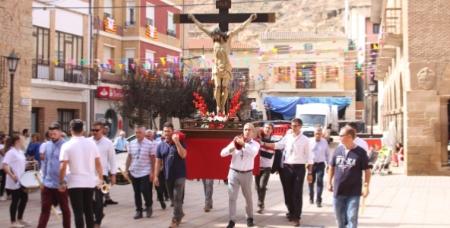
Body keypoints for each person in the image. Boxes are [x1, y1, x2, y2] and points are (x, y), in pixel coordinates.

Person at [189, 13, 257, 113]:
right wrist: (193, 19)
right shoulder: (213, 38)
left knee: (224, 87)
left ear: (219, 33)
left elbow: (240, 28)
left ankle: (222, 106)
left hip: (226, 66)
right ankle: (218, 106)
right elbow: (202, 27)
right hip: (216, 66)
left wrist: (250, 19)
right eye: (213, 36)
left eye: (216, 35)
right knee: (217, 87)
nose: (214, 37)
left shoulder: (228, 37)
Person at [264, 118, 313, 227]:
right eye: (292, 125)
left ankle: (297, 217)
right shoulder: (288, 137)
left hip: (299, 168)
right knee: (287, 192)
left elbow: (310, 158)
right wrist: (263, 143)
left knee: (297, 193)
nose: (293, 128)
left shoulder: (305, 140)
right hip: (287, 168)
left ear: (300, 126)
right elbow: (277, 145)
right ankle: (291, 211)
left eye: (296, 126)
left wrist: (310, 173)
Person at [59, 119, 104, 228]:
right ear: (83, 130)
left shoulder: (67, 145)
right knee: (88, 210)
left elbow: (62, 166)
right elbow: (98, 163)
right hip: (89, 181)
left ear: (71, 130)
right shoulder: (92, 144)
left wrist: (61, 181)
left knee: (78, 212)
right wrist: (100, 179)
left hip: (74, 182)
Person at [328, 126, 371, 228]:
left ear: (349, 137)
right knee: (339, 219)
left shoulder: (361, 152)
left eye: (341, 135)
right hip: (338, 191)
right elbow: (331, 167)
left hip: (353, 192)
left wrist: (366, 186)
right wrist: (329, 182)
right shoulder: (338, 150)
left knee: (352, 218)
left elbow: (367, 171)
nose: (339, 137)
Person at [220, 123, 260, 228]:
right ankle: (232, 220)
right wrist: (232, 148)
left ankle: (250, 218)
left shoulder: (255, 144)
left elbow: (252, 153)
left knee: (248, 197)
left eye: (249, 130)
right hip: (234, 173)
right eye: (245, 129)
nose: (247, 131)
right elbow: (222, 153)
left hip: (247, 174)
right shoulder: (236, 141)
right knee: (232, 197)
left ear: (253, 132)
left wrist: (243, 144)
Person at [37, 122, 71, 228]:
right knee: (45, 209)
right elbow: (46, 163)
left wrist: (64, 181)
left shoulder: (66, 146)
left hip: (61, 184)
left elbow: (69, 165)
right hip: (48, 183)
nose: (52, 135)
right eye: (51, 133)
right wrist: (42, 180)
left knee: (65, 209)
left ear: (60, 133)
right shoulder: (47, 145)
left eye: (55, 133)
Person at [154, 122, 187, 228]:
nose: (167, 133)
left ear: (173, 132)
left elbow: (183, 155)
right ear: (162, 133)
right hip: (168, 176)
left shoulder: (180, 142)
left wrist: (177, 142)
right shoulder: (160, 146)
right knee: (173, 199)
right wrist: (155, 176)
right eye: (165, 131)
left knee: (177, 198)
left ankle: (174, 220)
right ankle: (180, 213)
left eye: (169, 131)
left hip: (180, 175)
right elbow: (158, 162)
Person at [89, 121, 117, 227]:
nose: (94, 132)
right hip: (89, 175)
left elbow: (112, 159)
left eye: (96, 130)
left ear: (102, 130)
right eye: (93, 130)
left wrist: (113, 175)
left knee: (100, 198)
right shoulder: (88, 141)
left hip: (103, 175)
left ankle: (97, 222)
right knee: (88, 199)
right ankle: (99, 213)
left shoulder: (108, 143)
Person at [125, 126, 155, 219]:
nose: (137, 134)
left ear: (144, 133)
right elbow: (129, 157)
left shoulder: (150, 144)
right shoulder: (131, 143)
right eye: (136, 132)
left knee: (145, 190)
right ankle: (139, 210)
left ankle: (149, 205)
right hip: (134, 171)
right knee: (136, 192)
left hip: (145, 171)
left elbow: (153, 159)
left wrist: (152, 172)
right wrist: (126, 169)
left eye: (139, 133)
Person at [3, 135, 29, 228]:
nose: (24, 141)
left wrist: (29, 163)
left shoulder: (21, 152)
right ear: (17, 141)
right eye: (22, 139)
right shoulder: (11, 152)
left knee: (24, 199)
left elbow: (21, 164)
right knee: (15, 200)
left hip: (23, 180)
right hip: (14, 180)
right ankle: (13, 222)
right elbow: (5, 165)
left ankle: (20, 219)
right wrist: (12, 175)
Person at [254, 123, 275, 214]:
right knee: (257, 187)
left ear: (271, 130)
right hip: (257, 166)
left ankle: (260, 204)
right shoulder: (258, 139)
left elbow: (269, 154)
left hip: (267, 167)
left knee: (262, 186)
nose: (267, 129)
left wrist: (260, 146)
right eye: (266, 127)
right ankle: (261, 202)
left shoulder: (273, 141)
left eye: (269, 128)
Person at [308, 126, 329, 208]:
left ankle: (318, 200)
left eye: (319, 134)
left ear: (321, 134)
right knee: (311, 182)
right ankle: (311, 197)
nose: (318, 135)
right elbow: (306, 153)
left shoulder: (324, 142)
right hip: (311, 164)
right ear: (314, 133)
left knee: (320, 182)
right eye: (316, 133)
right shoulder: (309, 141)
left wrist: (328, 164)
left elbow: (327, 154)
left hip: (320, 164)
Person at [145, 129, 166, 210]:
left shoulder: (157, 144)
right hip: (147, 170)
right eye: (146, 136)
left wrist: (161, 167)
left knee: (159, 188)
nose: (147, 137)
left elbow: (160, 157)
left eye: (149, 136)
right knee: (148, 189)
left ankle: (161, 200)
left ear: (152, 136)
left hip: (156, 169)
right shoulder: (144, 144)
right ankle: (149, 205)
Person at [0, 132, 7, 201]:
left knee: (3, 180)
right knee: (3, 181)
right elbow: (4, 154)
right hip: (2, 166)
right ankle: (1, 194)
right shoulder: (1, 146)